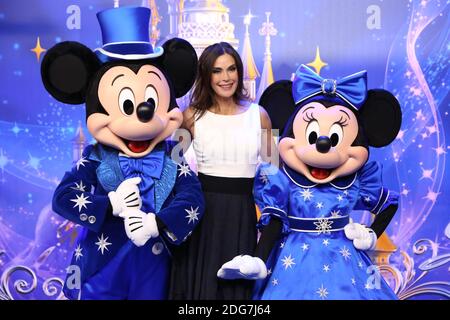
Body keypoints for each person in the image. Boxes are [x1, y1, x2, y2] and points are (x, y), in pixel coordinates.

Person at [169, 42, 274, 300]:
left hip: (243, 214)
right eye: (217, 71)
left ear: (239, 72)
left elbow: (275, 173)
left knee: (237, 291)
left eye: (231, 69)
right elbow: (171, 167)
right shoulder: (190, 116)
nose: (226, 77)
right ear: (206, 75)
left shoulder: (260, 115)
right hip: (202, 215)